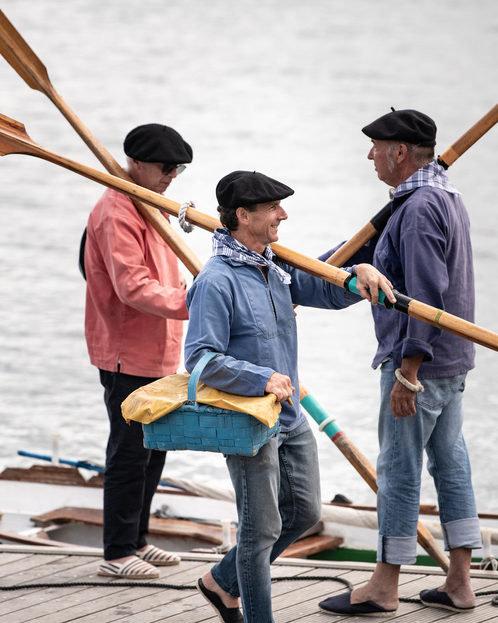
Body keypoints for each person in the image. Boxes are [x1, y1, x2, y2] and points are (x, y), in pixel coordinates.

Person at [185, 170, 395, 623]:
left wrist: (356, 270)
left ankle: (221, 581)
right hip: (247, 420)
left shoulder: (273, 264)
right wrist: (260, 378)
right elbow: (200, 360)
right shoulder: (216, 281)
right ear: (244, 215)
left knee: (302, 512)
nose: (284, 214)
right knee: (260, 532)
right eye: (273, 208)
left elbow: (322, 285)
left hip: (290, 415)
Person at [319, 109, 482, 616]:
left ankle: (385, 586)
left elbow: (427, 294)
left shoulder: (418, 208)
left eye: (375, 147)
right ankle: (459, 582)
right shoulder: (444, 197)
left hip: (421, 362)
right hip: (451, 359)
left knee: (398, 468)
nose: (369, 156)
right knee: (451, 464)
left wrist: (408, 372)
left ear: (400, 153)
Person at [83, 123, 192, 579]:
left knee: (155, 448)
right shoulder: (116, 211)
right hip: (127, 350)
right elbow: (132, 288)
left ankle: (139, 539)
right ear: (139, 164)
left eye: (178, 169)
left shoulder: (154, 207)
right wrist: (193, 301)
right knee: (129, 452)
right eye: (166, 168)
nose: (172, 176)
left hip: (163, 348)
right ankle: (117, 553)